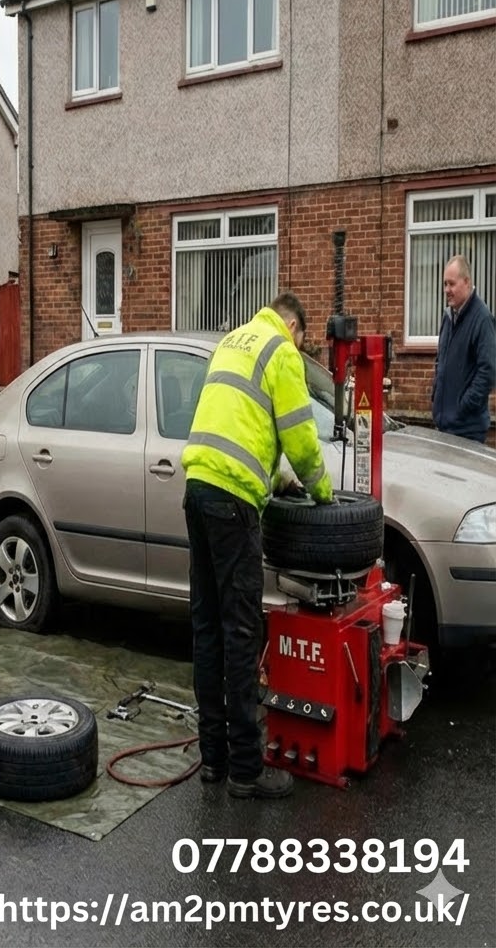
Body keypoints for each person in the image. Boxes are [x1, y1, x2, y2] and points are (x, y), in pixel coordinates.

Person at [181, 292, 333, 800]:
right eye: (303, 339)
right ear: (294, 326)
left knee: (207, 626)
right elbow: (301, 437)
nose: (300, 346)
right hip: (231, 502)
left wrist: (275, 478)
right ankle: (247, 771)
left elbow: (241, 424)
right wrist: (322, 493)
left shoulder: (234, 341)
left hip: (198, 486)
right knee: (242, 628)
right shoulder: (281, 350)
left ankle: (213, 762)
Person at [431, 255, 496, 443]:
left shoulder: (482, 319)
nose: (446, 290)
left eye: (451, 284)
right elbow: (440, 360)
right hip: (444, 426)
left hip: (467, 432)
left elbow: (489, 372)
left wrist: (463, 407)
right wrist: (436, 393)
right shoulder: (448, 316)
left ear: (467, 282)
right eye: (445, 284)